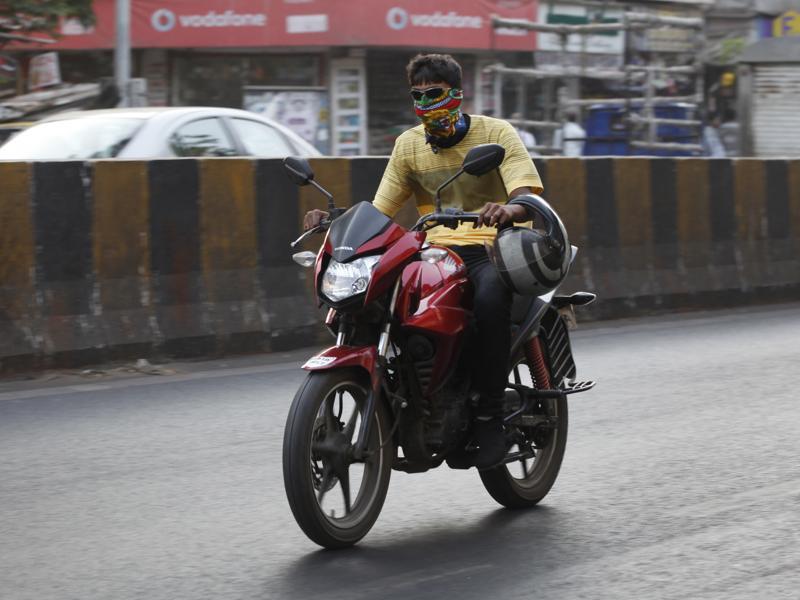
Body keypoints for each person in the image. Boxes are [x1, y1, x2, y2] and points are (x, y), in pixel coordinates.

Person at [304, 53, 543, 470]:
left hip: (487, 247)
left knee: (488, 299)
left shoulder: (497, 134)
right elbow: (382, 210)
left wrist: (507, 211)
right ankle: (417, 388)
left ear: (456, 95)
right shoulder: (408, 145)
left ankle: (488, 416)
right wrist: (336, 219)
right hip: (429, 251)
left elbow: (526, 195)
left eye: (434, 93)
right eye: (418, 95)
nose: (425, 103)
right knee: (382, 299)